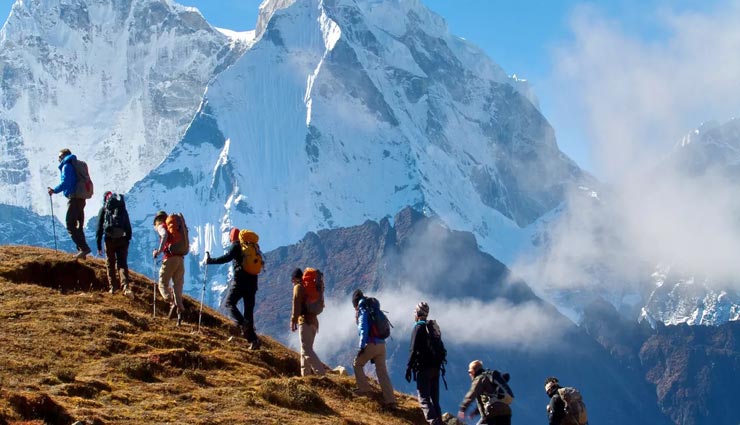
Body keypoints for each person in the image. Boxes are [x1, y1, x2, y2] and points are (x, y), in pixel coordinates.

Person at [205, 228, 261, 350]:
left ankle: (243, 324)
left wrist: (210, 261)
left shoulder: (236, 246)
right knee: (249, 311)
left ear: (231, 237)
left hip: (240, 281)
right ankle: (254, 341)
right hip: (252, 283)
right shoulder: (251, 247)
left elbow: (226, 258)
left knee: (229, 303)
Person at [351, 289, 397, 409]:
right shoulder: (373, 307)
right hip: (382, 345)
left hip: (372, 343)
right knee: (382, 371)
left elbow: (363, 329)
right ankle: (390, 400)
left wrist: (361, 347)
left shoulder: (363, 309)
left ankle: (364, 390)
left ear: (355, 303)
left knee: (357, 363)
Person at [47, 148, 91, 259]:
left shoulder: (67, 166)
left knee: (70, 224)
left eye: (59, 157)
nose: (58, 160)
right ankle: (82, 251)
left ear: (63, 156)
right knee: (78, 225)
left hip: (74, 198)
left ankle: (84, 249)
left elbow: (65, 182)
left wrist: (54, 190)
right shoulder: (77, 164)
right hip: (81, 198)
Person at [406, 302, 445, 425]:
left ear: (417, 313)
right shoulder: (432, 328)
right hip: (436, 368)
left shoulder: (418, 327)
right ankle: (439, 421)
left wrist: (408, 367)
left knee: (424, 399)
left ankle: (434, 423)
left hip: (424, 368)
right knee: (435, 400)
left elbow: (413, 349)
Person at [152, 211, 186, 325]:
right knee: (177, 287)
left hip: (170, 258)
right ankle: (180, 314)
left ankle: (172, 303)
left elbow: (164, 235)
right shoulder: (175, 228)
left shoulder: (162, 226)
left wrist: (159, 251)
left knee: (162, 284)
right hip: (180, 260)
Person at [290, 268, 327, 375]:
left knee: (306, 349)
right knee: (304, 349)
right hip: (314, 323)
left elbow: (296, 304)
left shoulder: (298, 287)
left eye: (292, 279)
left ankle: (321, 374)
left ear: (294, 278)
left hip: (305, 321)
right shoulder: (310, 288)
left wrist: (293, 320)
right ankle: (305, 377)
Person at [95, 191, 132, 295]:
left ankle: (113, 288)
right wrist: (127, 239)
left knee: (110, 263)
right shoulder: (122, 209)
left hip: (109, 240)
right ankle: (125, 287)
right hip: (122, 239)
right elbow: (128, 226)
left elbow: (99, 229)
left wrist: (99, 245)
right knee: (122, 263)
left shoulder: (104, 209)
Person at [458, 360, 513, 425]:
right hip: (506, 411)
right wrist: (475, 412)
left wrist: (463, 408)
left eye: (469, 372)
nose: (469, 374)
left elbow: (473, 393)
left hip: (493, 411)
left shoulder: (480, 378)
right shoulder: (490, 377)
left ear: (473, 370)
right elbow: (489, 400)